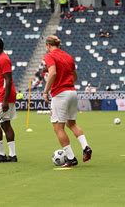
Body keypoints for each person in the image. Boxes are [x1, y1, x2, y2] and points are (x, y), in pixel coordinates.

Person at [43, 35, 92, 167]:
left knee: (58, 127)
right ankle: (85, 146)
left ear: (48, 45)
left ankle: (71, 158)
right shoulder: (68, 56)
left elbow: (52, 73)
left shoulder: (49, 56)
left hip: (60, 94)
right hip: (72, 91)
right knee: (72, 124)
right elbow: (74, 76)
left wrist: (45, 91)